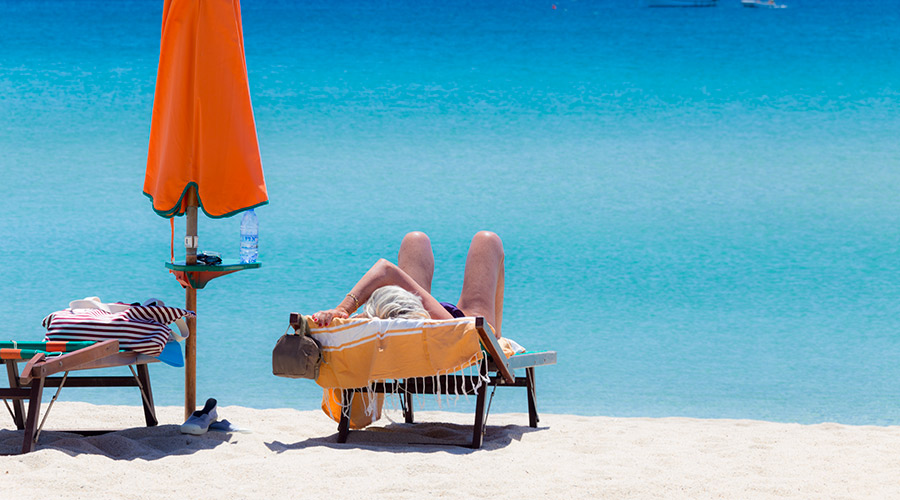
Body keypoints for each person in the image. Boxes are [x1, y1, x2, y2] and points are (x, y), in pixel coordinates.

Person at [311, 231, 505, 339]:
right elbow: (385, 269)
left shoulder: (365, 324)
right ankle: (497, 335)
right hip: (458, 328)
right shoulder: (460, 330)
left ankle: (495, 334)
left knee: (415, 239)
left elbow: (342, 327)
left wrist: (343, 312)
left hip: (419, 317)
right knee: (488, 240)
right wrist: (343, 308)